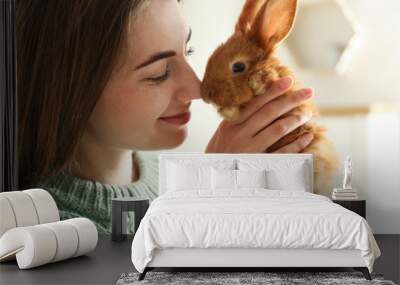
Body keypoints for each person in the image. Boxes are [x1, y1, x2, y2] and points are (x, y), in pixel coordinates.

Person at [16, 0, 315, 234]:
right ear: (74, 91)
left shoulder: (170, 176)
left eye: (188, 51)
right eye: (158, 74)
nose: (197, 89)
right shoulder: (43, 229)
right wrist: (207, 195)